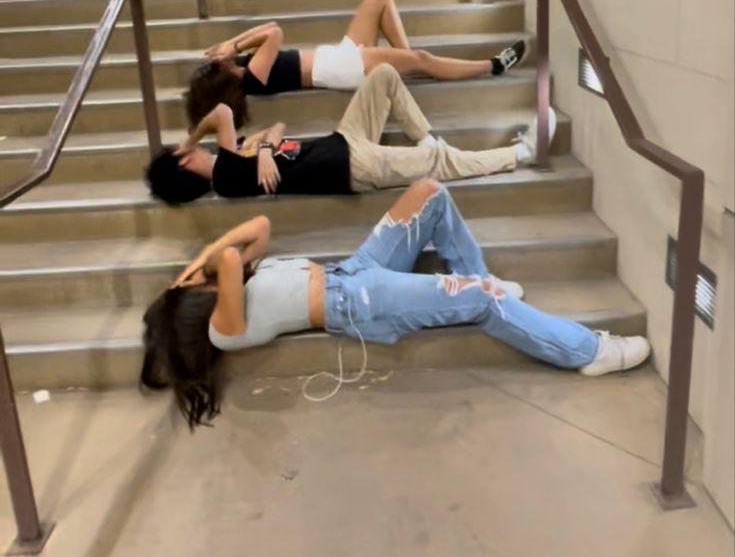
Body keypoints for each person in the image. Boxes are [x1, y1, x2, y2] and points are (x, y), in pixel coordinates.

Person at [139, 179, 652, 429]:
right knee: (479, 302)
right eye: (191, 289)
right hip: (358, 304)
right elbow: (229, 258)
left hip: (353, 271)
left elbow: (259, 229)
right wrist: (196, 269)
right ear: (193, 307)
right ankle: (586, 351)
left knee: (430, 193)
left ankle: (481, 280)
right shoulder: (222, 329)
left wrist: (194, 270)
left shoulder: (239, 288)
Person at [146, 63, 557, 205]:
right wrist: (190, 137)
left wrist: (266, 148)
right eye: (183, 152)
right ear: (183, 161)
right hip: (349, 166)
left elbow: (280, 130)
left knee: (383, 76)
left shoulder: (233, 161)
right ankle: (521, 154)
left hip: (341, 142)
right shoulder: (224, 176)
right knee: (439, 165)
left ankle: (427, 138)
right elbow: (219, 111)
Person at [185, 0, 526, 128]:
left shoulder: (247, 68)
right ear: (224, 77)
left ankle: (401, 61)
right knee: (422, 58)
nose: (224, 57)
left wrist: (233, 44)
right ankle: (491, 66)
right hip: (340, 69)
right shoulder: (253, 78)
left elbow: (270, 28)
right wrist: (234, 44)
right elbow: (275, 32)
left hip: (336, 55)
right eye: (220, 63)